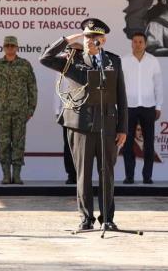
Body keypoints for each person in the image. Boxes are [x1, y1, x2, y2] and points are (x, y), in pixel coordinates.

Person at [40, 18, 127, 230]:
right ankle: (86, 219)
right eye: (86, 36)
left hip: (107, 124)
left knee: (107, 173)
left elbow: (121, 95)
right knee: (83, 173)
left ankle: (107, 219)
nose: (89, 40)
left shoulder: (113, 61)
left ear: (103, 40)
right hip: (80, 124)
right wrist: (70, 39)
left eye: (93, 37)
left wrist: (123, 127)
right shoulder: (73, 59)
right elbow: (45, 58)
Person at [0, 35, 37, 184]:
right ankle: (6, 175)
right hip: (2, 112)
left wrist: (31, 109)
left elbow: (32, 88)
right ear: (3, 47)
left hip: (20, 111)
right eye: (7, 45)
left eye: (12, 46)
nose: (10, 48)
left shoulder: (25, 65)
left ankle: (17, 175)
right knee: (4, 144)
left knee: (19, 143)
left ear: (17, 47)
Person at [121, 31, 163, 184]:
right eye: (135, 41)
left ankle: (147, 176)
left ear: (145, 44)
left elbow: (158, 85)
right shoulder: (123, 61)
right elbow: (119, 86)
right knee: (127, 143)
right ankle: (129, 176)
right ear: (131, 43)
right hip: (128, 106)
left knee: (149, 142)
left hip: (148, 106)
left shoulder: (153, 61)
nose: (137, 44)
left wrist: (158, 105)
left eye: (140, 42)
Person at [53, 81, 77, 185]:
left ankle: (83, 175)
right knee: (68, 144)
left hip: (85, 112)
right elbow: (57, 89)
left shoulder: (87, 65)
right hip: (67, 111)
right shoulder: (62, 67)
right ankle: (71, 175)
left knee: (84, 146)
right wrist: (57, 111)